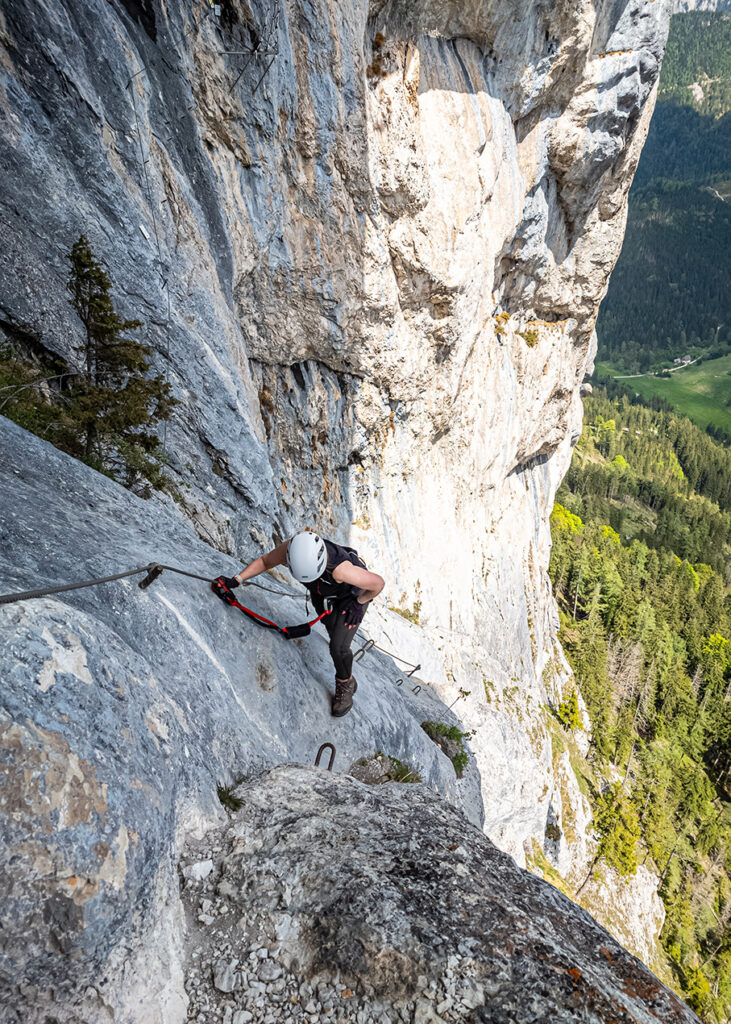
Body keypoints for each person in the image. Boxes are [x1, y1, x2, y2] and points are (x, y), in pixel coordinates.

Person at [220, 532, 384, 717]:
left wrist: (359, 602)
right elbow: (266, 562)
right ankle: (336, 636)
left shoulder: (341, 570)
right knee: (330, 625)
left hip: (353, 596)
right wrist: (237, 579)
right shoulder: (293, 549)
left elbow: (378, 583)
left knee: (338, 647)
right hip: (322, 591)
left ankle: (346, 683)